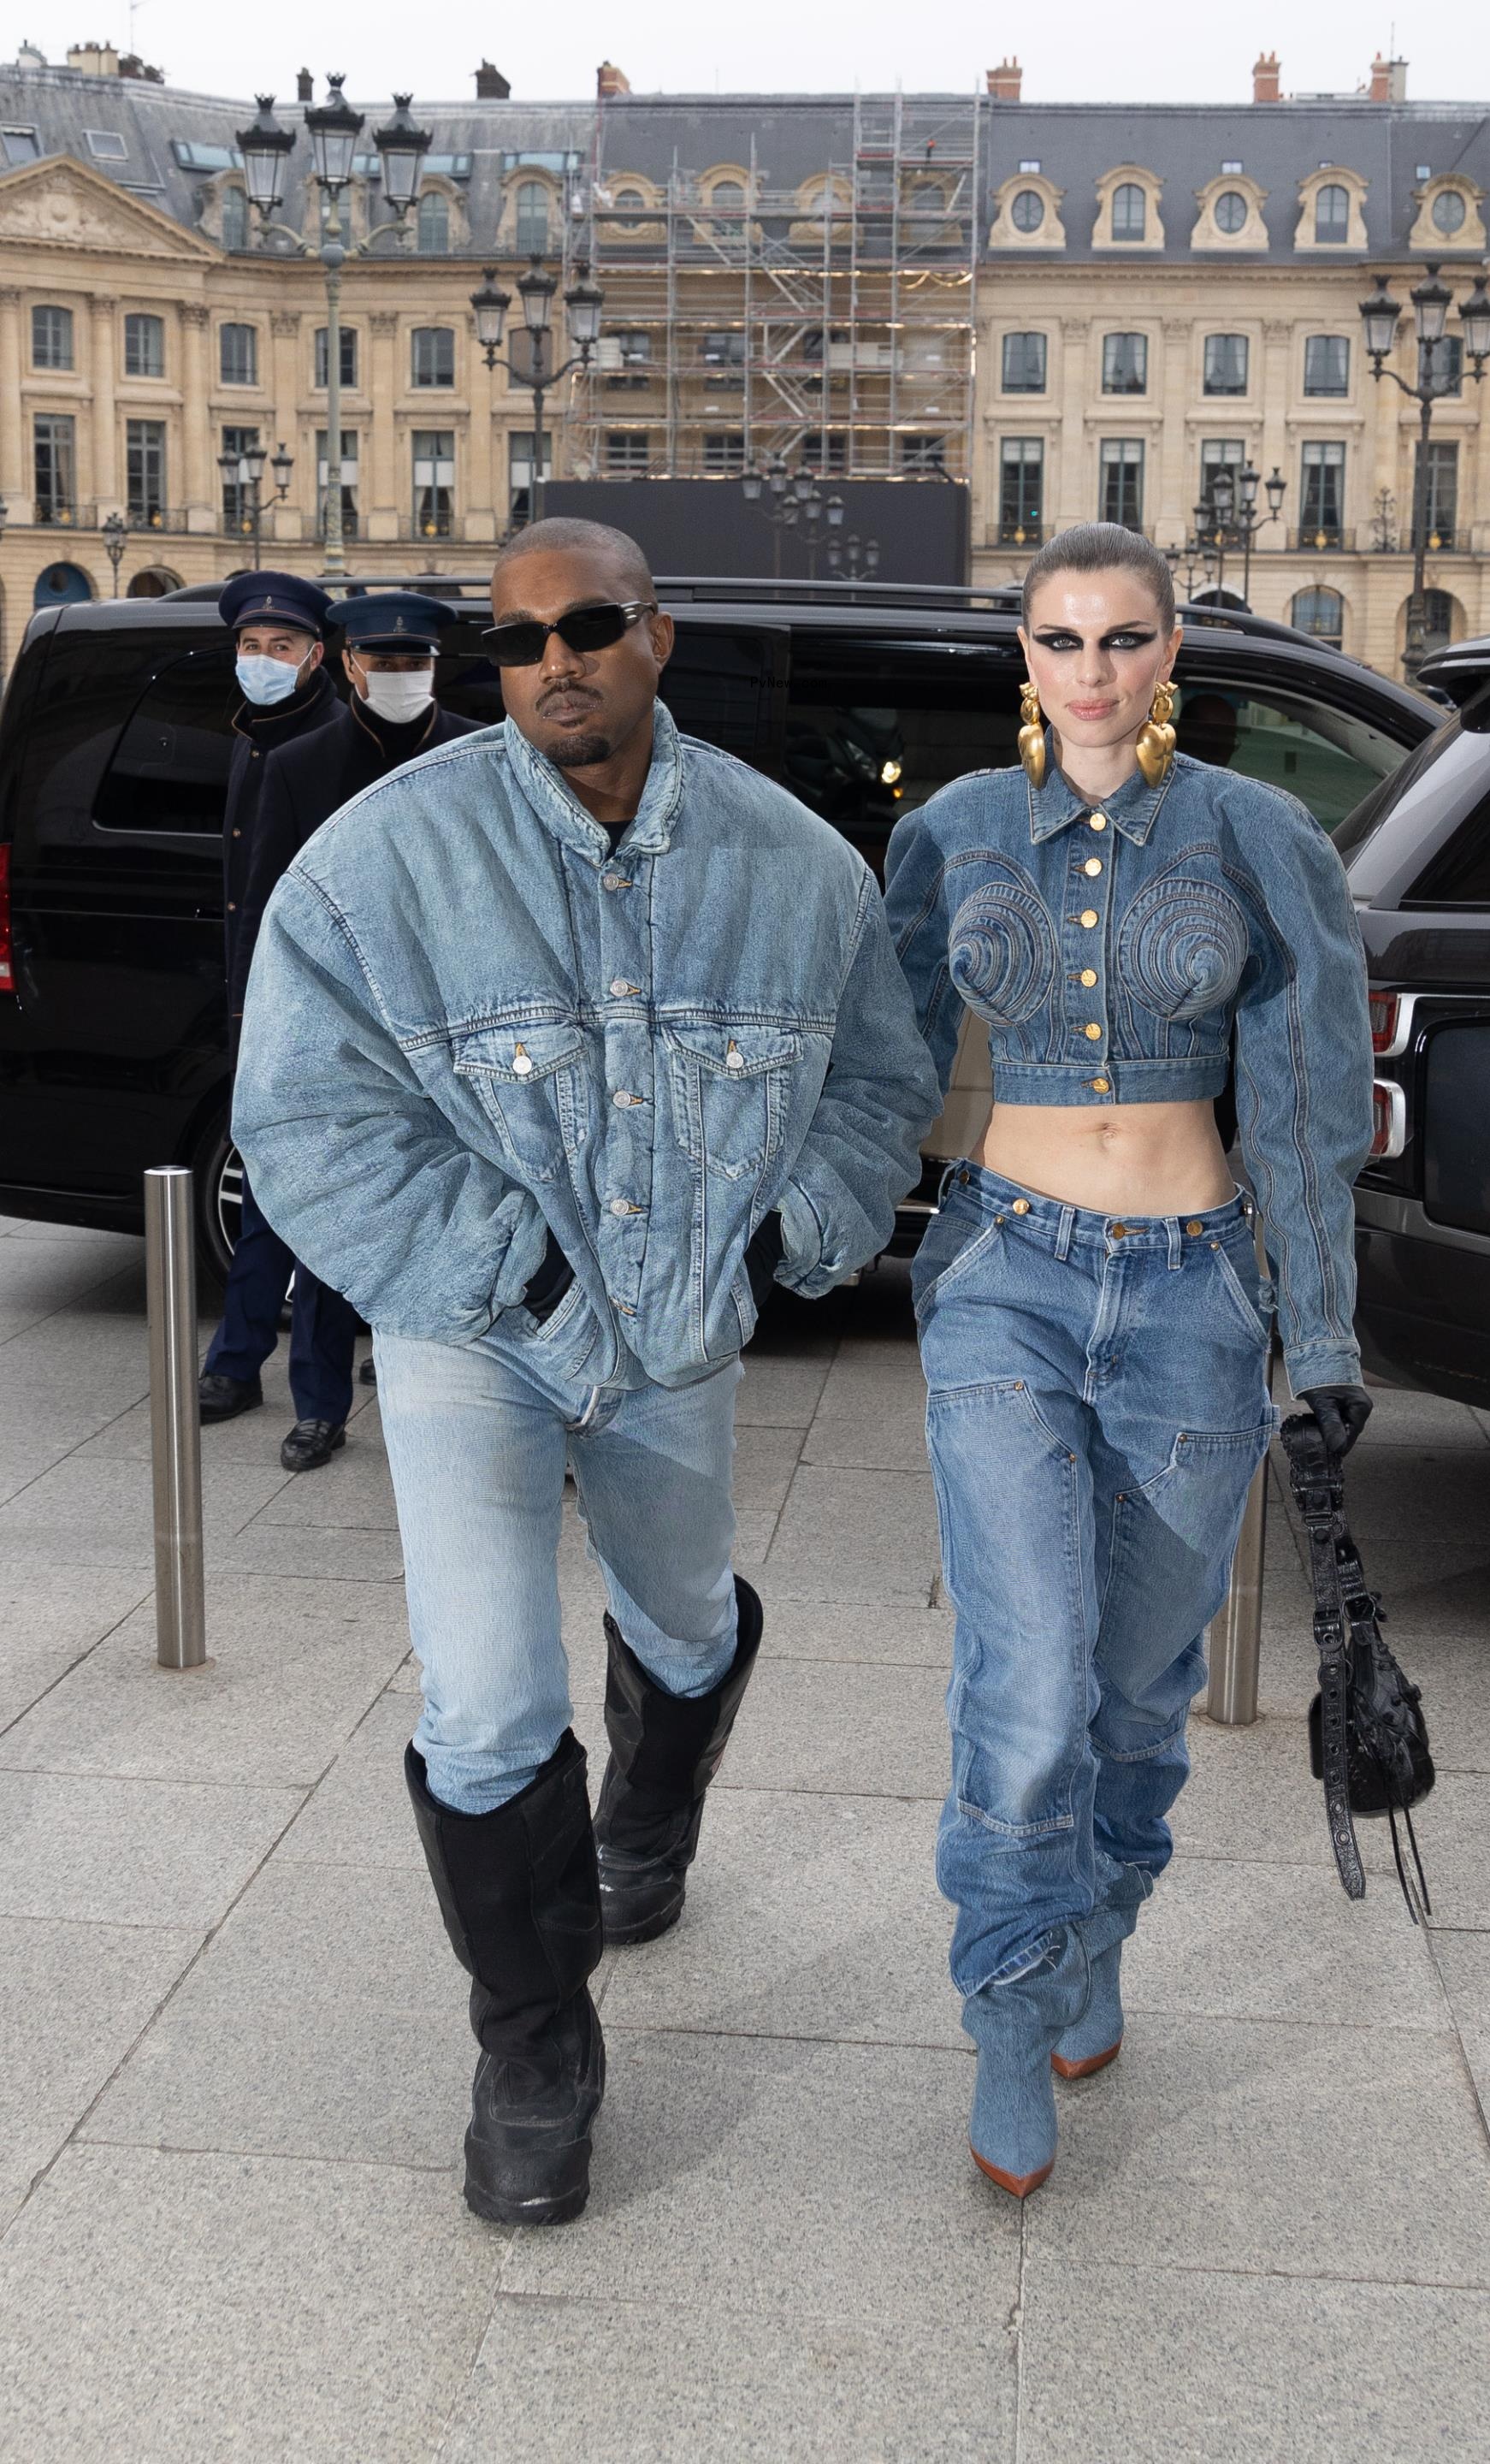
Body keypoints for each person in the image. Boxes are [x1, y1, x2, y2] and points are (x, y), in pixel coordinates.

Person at [233, 518, 937, 2228]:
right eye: (519, 634)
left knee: (681, 1615)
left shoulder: (793, 866)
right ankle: (534, 2050)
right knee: (483, 1698)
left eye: (591, 623)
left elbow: (877, 1083)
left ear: (658, 638)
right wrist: (514, 1262)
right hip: (471, 1337)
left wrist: (789, 1242)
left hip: (683, 1332)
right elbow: (307, 1119)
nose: (554, 657)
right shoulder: (382, 858)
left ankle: (658, 1800)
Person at [884, 522, 1373, 2200]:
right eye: (1060, 640)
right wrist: (807, 1217)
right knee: (1024, 1691)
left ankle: (1096, 1931)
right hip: (1007, 1280)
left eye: (1122, 639)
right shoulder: (951, 831)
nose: (1090, 671)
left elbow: (1306, 1102)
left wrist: (1319, 1327)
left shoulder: (1258, 835)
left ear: (1172, 655)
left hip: (1190, 1301)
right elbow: (883, 1061)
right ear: (1022, 659)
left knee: (1134, 1704)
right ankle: (1011, 2016)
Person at [224, 591, 486, 1466]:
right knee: (332, 1215)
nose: (401, 675)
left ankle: (452, 1397)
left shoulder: (479, 753)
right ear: (349, 665)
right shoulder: (298, 765)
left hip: (453, 1029)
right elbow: (267, 909)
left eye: (416, 663)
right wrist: (266, 1028)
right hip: (340, 1029)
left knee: (452, 1217)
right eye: (384, 661)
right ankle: (319, 1405)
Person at [198, 571, 351, 1459]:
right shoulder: (248, 735)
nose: (261, 661)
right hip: (251, 1004)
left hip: (316, 1013)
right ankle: (237, 1356)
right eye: (250, 647)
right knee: (261, 1192)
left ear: (316, 656)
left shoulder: (332, 739)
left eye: (281, 648)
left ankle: (319, 1398)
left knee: (318, 1202)